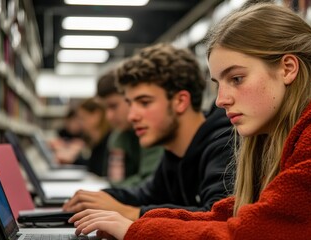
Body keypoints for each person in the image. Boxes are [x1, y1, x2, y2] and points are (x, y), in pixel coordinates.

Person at [69, 3, 311, 239]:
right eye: (218, 83)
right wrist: (138, 222)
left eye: (237, 78)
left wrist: (137, 230)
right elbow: (241, 213)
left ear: (287, 68)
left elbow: (254, 234)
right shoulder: (293, 129)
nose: (221, 99)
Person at [63, 43, 235, 222]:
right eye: (129, 104)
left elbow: (218, 219)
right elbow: (147, 194)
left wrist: (132, 213)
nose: (132, 116)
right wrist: (101, 197)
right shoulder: (174, 153)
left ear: (180, 101)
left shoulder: (225, 143)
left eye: (144, 102)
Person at [96, 69, 163, 186]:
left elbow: (151, 183)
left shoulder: (153, 130)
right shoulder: (118, 136)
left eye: (113, 106)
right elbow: (115, 181)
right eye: (105, 109)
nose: (108, 116)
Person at [73, 97, 112, 176]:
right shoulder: (95, 140)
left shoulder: (109, 141)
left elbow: (97, 169)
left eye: (83, 118)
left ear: (97, 115)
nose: (80, 124)